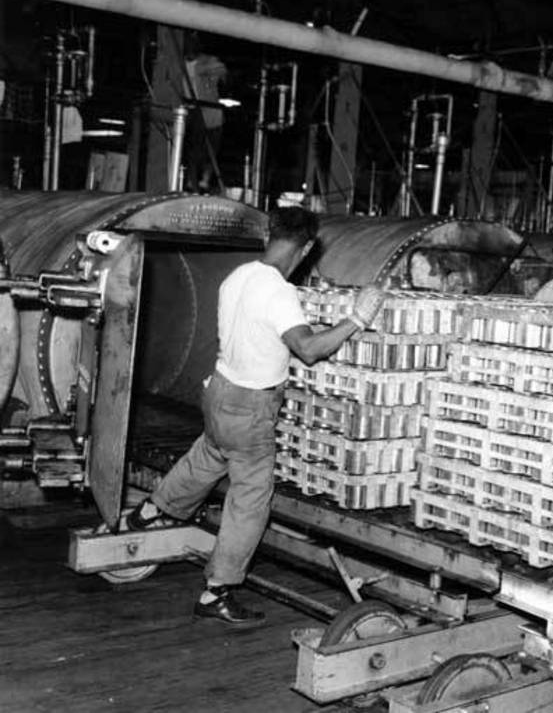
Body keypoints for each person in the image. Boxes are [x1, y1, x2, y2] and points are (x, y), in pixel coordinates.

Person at [125, 207, 386, 626]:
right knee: (250, 499)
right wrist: (357, 318)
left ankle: (153, 511)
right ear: (305, 249)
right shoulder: (279, 292)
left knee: (209, 454)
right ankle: (218, 591)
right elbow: (310, 349)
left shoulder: (238, 276)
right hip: (250, 408)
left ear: (270, 234)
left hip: (219, 392)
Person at [181, 32, 228, 194]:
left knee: (210, 151)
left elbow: (222, 72)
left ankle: (205, 180)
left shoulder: (208, 62)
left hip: (210, 113)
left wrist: (210, 73)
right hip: (189, 111)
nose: (190, 46)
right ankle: (190, 182)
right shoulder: (177, 64)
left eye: (193, 42)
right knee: (192, 151)